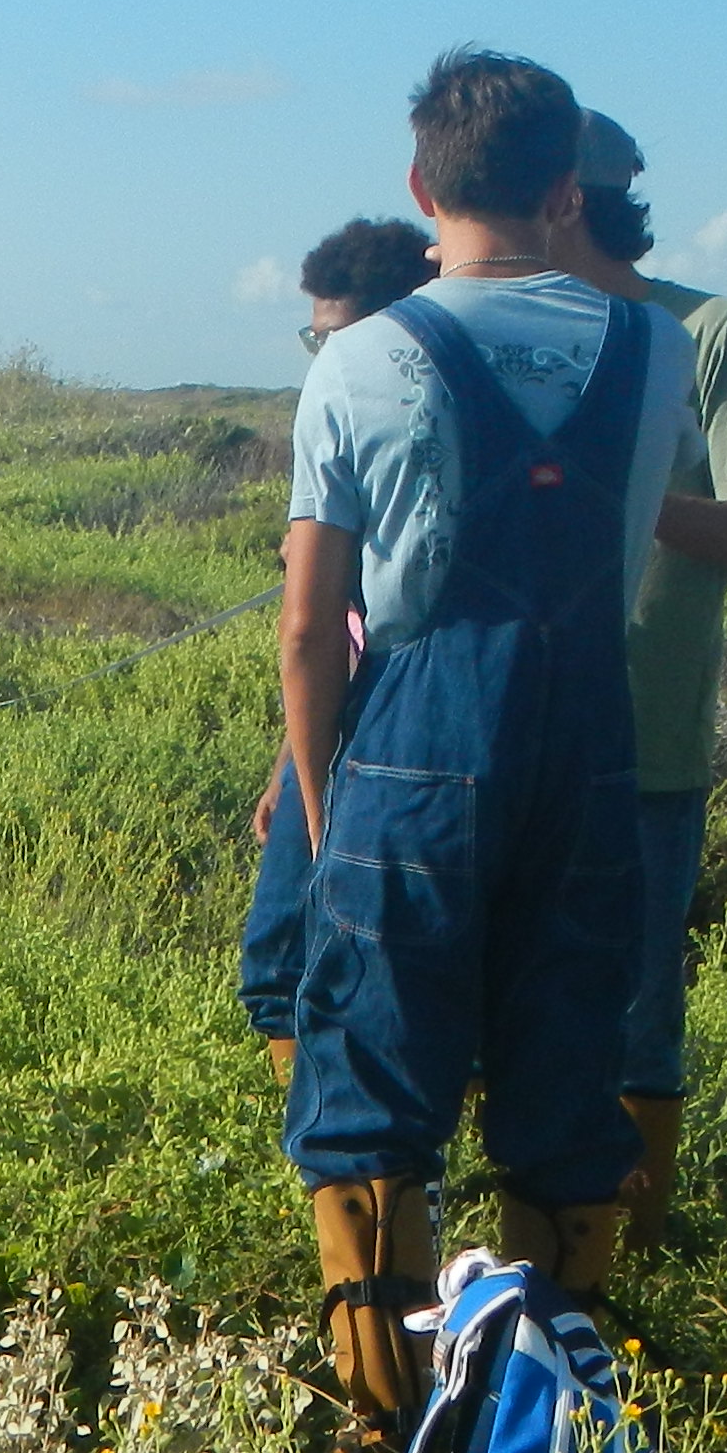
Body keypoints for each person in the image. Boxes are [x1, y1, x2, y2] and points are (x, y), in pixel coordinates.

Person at [280, 50, 690, 1451]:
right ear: (568, 189)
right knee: (568, 1083)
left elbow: (302, 629)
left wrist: (332, 818)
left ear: (419, 186)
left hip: (410, 739)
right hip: (591, 741)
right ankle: (548, 1424)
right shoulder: (655, 349)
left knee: (375, 1093)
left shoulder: (362, 356)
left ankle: (388, 1437)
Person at [553, 111, 727, 1254]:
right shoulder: (514, 330)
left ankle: (633, 1260)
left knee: (642, 1012)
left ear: (568, 200)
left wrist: (614, 490)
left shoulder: (708, 331)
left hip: (648, 740)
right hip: (519, 734)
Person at [240, 218, 433, 1073]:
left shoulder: (397, 415)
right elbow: (324, 633)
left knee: (323, 969)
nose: (324, 362)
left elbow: (314, 627)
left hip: (389, 725)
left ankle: (352, 1165)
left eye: (337, 339)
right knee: (284, 967)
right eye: (315, 340)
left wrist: (313, 792)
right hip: (339, 719)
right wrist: (290, 760)